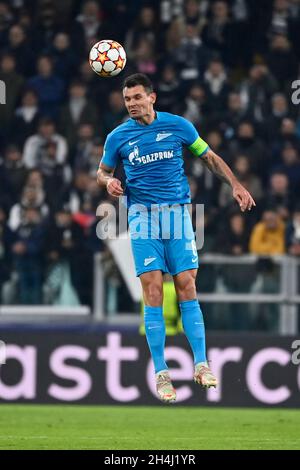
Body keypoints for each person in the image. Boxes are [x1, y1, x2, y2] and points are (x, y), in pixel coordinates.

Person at [97, 73, 256, 403]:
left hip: (178, 215)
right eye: (127, 99)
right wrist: (107, 182)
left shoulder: (178, 126)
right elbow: (103, 170)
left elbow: (209, 157)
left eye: (138, 97)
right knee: (152, 288)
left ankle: (201, 364)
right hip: (142, 217)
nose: (132, 104)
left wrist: (236, 185)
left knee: (186, 284)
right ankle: (161, 373)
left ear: (152, 98)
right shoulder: (117, 137)